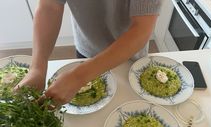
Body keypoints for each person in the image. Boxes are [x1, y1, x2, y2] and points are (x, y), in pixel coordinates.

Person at [17, 0, 160, 106]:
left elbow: (141, 28)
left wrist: (78, 77)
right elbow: (50, 6)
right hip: (87, 49)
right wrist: (37, 68)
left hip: (129, 54)